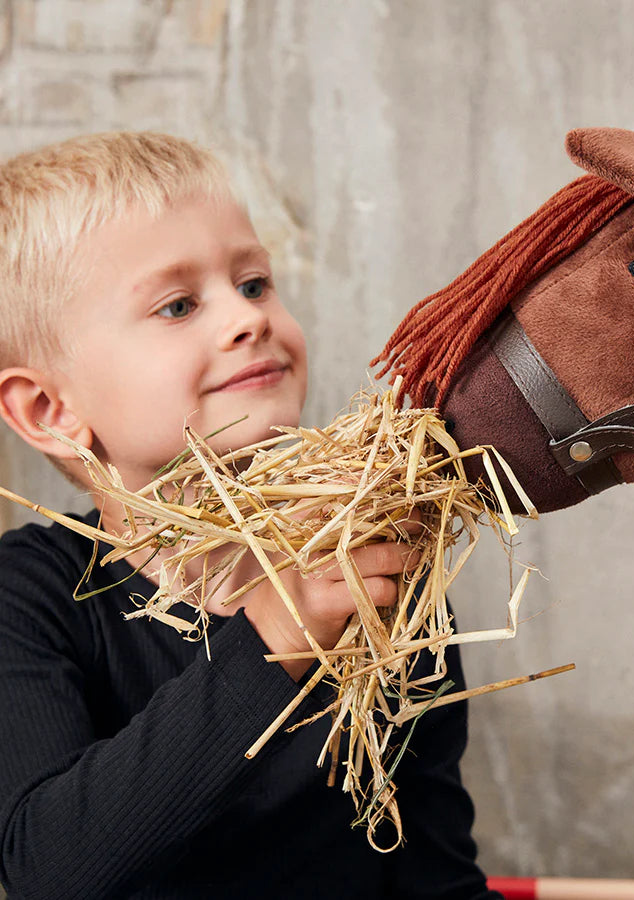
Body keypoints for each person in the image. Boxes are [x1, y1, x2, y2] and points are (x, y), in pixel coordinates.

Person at [0, 132, 500, 899]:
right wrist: (274, 639)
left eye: (255, 283)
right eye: (178, 305)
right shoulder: (28, 597)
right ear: (51, 409)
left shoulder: (383, 573)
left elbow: (433, 875)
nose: (247, 318)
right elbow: (53, 869)